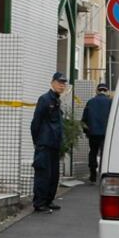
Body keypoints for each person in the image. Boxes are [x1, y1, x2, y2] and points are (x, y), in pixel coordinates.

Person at [30, 72, 68, 214]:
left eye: (64, 83)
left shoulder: (57, 100)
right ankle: (39, 203)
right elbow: (35, 123)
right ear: (52, 82)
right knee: (43, 174)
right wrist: (37, 142)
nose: (62, 85)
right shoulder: (45, 99)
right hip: (44, 144)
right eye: (59, 82)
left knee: (53, 175)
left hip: (54, 145)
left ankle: (48, 200)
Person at [81, 82, 113, 183]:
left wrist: (86, 131)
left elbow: (84, 119)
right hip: (106, 134)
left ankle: (92, 174)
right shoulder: (110, 102)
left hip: (93, 133)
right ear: (106, 91)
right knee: (104, 153)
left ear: (97, 90)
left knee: (93, 152)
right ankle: (102, 174)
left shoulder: (90, 102)